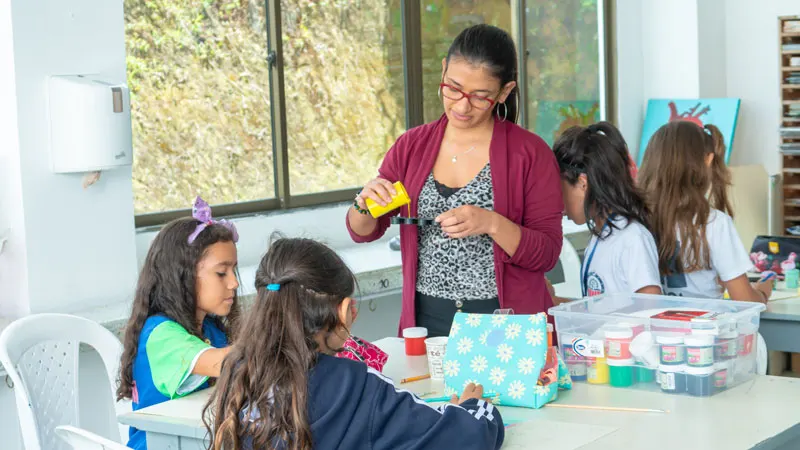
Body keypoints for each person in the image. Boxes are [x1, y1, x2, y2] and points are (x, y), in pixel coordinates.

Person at [346, 24, 563, 337]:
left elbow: (547, 253)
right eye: (453, 88)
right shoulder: (412, 147)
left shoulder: (529, 153)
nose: (462, 106)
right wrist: (364, 203)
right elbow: (361, 230)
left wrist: (492, 223)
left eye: (480, 97)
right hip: (425, 323)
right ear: (444, 69)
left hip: (504, 325)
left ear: (504, 92)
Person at [204, 237, 504, 450]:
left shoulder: (239, 371)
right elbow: (467, 437)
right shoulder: (356, 384)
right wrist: (473, 408)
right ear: (344, 310)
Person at [116, 197, 240, 450]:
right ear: (182, 276)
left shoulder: (211, 330)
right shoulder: (161, 335)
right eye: (221, 273)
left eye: (233, 271)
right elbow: (226, 361)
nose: (234, 282)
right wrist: (275, 330)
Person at [638, 121, 773, 302]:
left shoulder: (636, 217)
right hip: (705, 320)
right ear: (708, 160)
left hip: (654, 320)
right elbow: (745, 300)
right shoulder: (714, 222)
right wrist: (762, 292)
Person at [551, 122, 661, 301]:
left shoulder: (632, 239)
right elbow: (597, 308)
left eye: (560, 191)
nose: (559, 204)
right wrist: (554, 301)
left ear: (583, 184)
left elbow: (650, 308)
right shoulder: (602, 234)